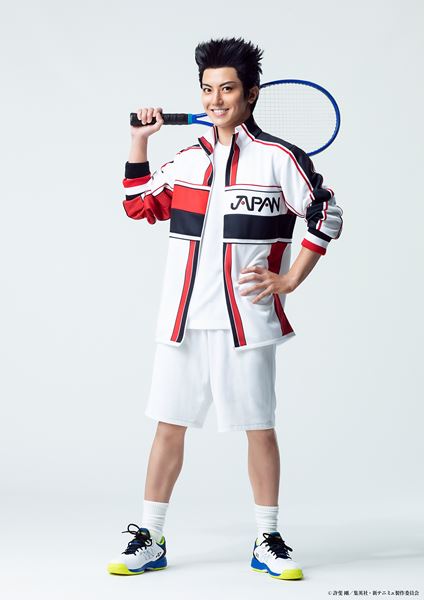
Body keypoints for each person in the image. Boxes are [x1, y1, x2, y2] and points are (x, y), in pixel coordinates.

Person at [107, 36, 343, 580]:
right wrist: (139, 142)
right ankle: (150, 536)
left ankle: (268, 538)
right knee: (169, 426)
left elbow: (326, 213)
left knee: (259, 428)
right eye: (207, 89)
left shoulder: (279, 158)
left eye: (227, 89)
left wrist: (290, 278)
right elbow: (137, 204)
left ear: (251, 94)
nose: (215, 100)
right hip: (183, 320)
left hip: (247, 322)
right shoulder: (188, 159)